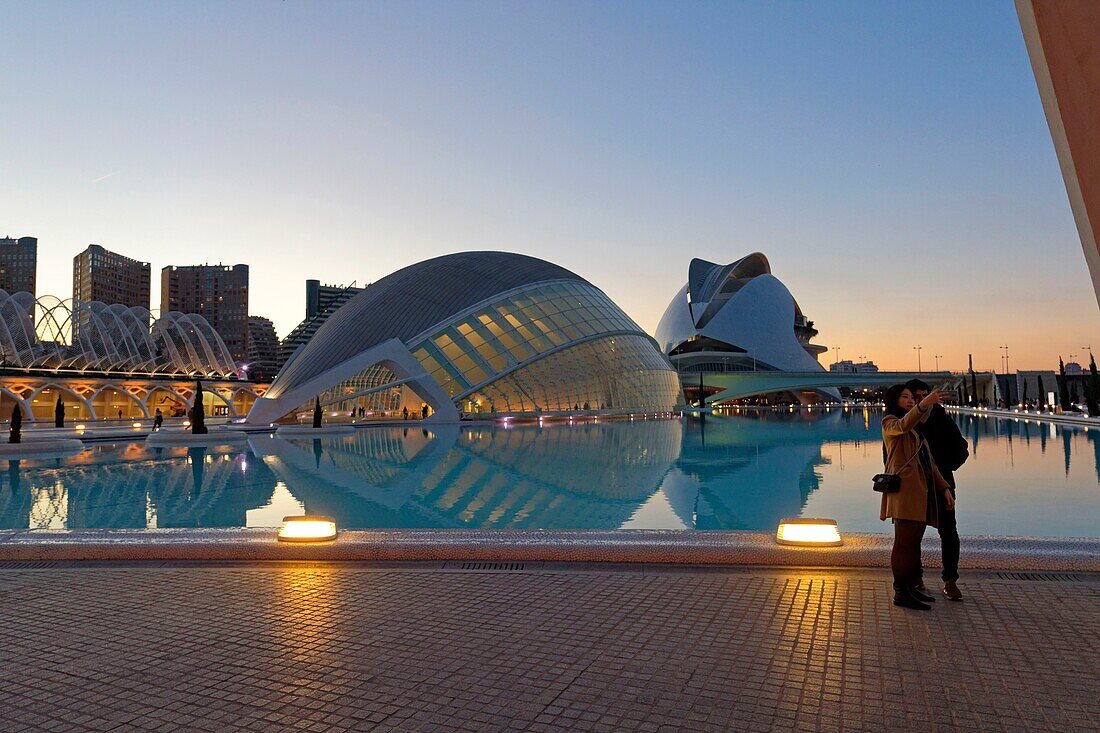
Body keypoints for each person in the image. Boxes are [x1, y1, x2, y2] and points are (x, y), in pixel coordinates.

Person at [880, 384, 955, 610]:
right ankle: (900, 592)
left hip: (920, 494)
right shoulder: (890, 423)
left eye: (912, 397)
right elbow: (903, 424)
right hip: (904, 493)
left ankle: (911, 587)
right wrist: (925, 404)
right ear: (894, 400)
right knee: (903, 544)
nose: (910, 400)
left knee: (913, 544)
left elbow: (930, 465)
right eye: (905, 397)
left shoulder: (916, 432)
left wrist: (944, 488)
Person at [905, 379, 969, 600]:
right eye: (916, 396)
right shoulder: (905, 422)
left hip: (943, 486)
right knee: (913, 535)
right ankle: (916, 578)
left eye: (925, 395)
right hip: (913, 487)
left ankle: (950, 580)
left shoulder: (940, 418)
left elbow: (962, 449)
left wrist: (943, 469)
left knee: (949, 532)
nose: (922, 400)